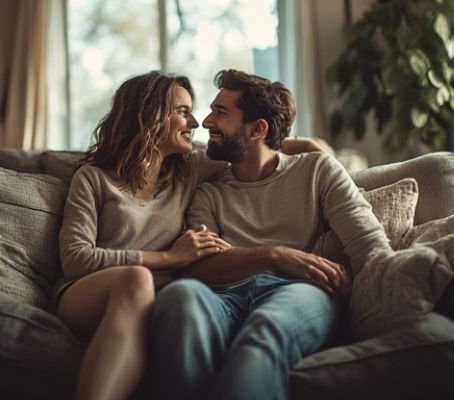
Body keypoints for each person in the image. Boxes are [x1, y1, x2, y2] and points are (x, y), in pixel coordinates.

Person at [55, 71, 322, 400]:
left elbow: (252, 146)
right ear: (150, 115)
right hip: (87, 294)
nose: (195, 122)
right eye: (182, 111)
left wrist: (311, 147)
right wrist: (167, 259)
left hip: (159, 302)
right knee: (137, 280)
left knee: (166, 294)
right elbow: (75, 259)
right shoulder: (93, 179)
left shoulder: (190, 168)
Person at [148, 69, 394, 400]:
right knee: (180, 296)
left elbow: (368, 244)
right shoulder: (209, 191)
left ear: (258, 128)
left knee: (263, 332)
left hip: (297, 294)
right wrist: (274, 256)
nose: (205, 122)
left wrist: (384, 298)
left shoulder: (317, 170)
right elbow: (195, 266)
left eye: (220, 113)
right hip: (222, 299)